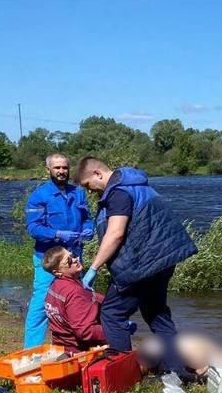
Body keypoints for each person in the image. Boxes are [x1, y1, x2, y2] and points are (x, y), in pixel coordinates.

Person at [75, 158, 197, 373]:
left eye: (87, 185)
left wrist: (93, 268)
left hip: (142, 264)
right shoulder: (137, 186)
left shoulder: (118, 193)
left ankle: (123, 373)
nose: (90, 191)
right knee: (157, 314)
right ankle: (179, 371)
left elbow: (115, 233)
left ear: (97, 174)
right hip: (163, 260)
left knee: (112, 313)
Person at [23, 153, 94, 348]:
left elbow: (87, 217)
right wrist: (57, 235)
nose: (62, 171)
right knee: (40, 306)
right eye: (57, 168)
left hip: (73, 259)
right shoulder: (39, 196)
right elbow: (33, 228)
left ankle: (76, 347)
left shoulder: (77, 193)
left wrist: (89, 228)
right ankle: (31, 351)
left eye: (64, 167)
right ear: (48, 170)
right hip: (48, 260)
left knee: (76, 302)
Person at [41, 245, 106, 351]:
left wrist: (110, 303)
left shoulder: (55, 285)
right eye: (69, 261)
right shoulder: (74, 292)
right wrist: (113, 330)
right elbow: (85, 331)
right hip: (79, 350)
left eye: (73, 255)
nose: (76, 260)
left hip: (61, 346)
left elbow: (89, 296)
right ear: (57, 272)